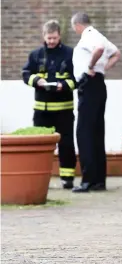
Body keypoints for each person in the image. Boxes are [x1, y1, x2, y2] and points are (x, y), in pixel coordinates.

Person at [22, 20, 78, 189]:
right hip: (42, 110)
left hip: (64, 110)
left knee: (66, 145)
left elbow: (77, 78)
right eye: (49, 38)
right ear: (44, 36)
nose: (51, 41)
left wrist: (64, 85)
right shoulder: (36, 54)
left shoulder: (70, 54)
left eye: (54, 38)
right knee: (39, 145)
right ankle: (38, 178)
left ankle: (67, 179)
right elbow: (26, 74)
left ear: (59, 35)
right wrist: (37, 80)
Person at [71, 12, 120, 193]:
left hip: (89, 84)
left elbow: (98, 49)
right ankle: (99, 180)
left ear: (76, 25)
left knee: (84, 133)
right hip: (98, 84)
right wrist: (103, 69)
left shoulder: (88, 36)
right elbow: (116, 53)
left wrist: (90, 67)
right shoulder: (99, 35)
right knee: (97, 132)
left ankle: (88, 181)